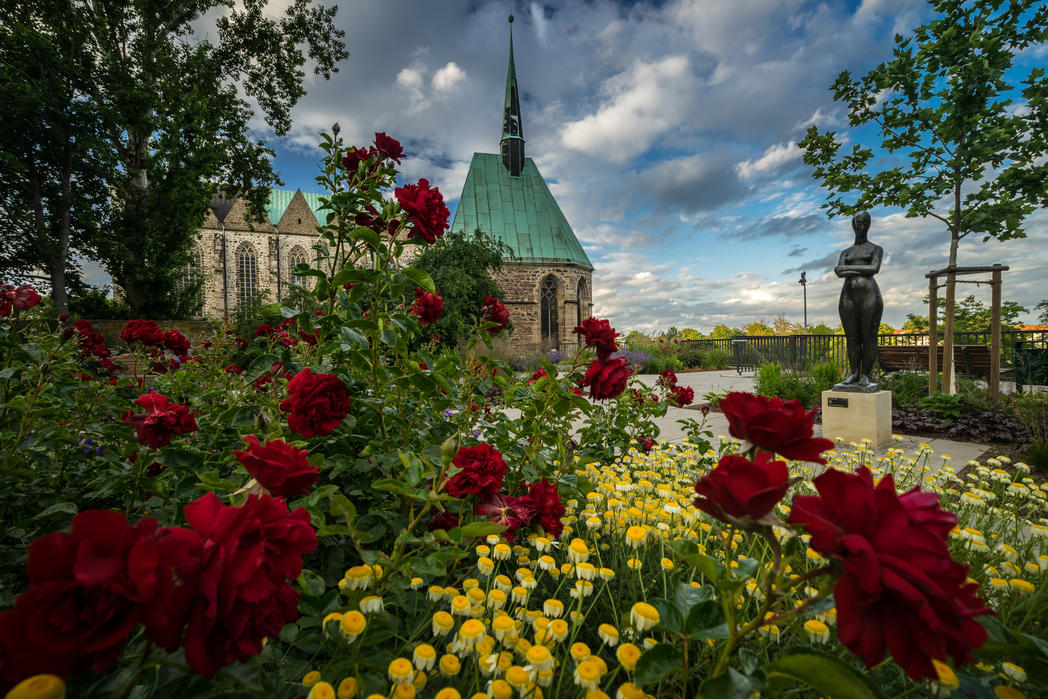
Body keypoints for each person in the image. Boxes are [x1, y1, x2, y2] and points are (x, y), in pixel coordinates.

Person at [834, 211, 883, 391]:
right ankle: (854, 373)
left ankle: (865, 376)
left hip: (870, 295)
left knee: (869, 337)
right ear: (853, 225)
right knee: (852, 337)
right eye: (858, 222)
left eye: (864, 222)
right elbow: (839, 271)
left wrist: (849, 269)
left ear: (869, 224)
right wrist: (863, 268)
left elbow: (874, 268)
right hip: (848, 295)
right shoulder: (845, 251)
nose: (861, 226)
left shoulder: (875, 248)